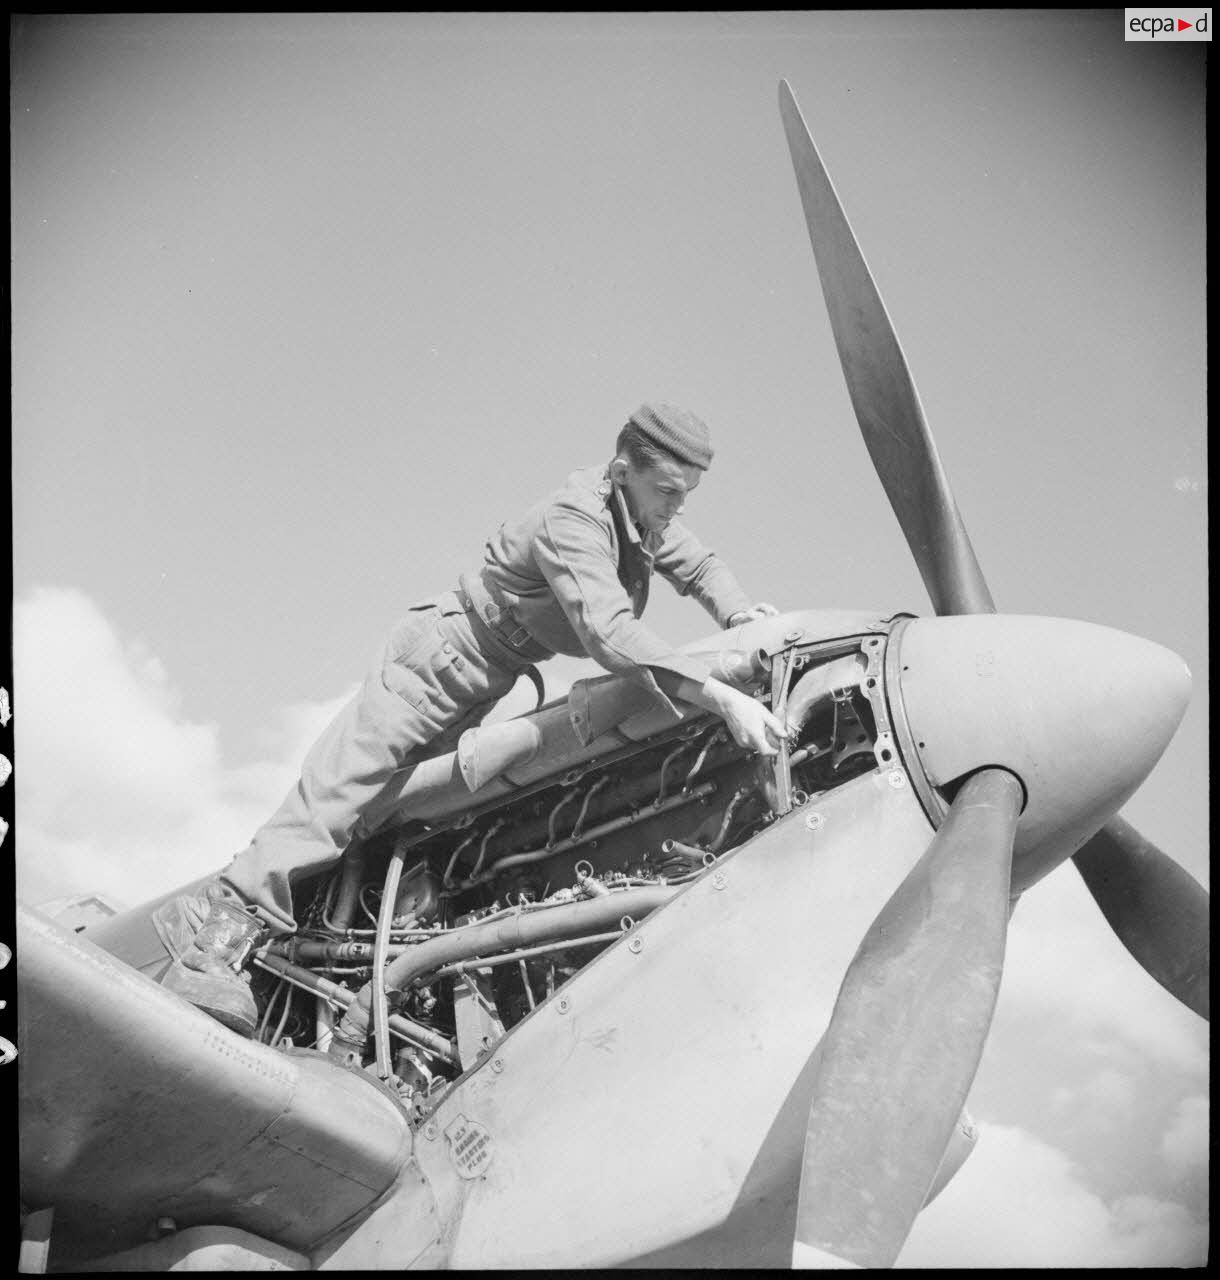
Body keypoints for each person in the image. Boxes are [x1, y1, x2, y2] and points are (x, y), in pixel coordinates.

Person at [163, 403, 788, 1034]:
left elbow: (701, 566)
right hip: (439, 657)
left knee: (393, 817)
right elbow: (608, 629)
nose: (677, 508)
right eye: (669, 492)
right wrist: (717, 692)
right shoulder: (573, 518)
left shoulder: (641, 516)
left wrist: (738, 617)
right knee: (339, 797)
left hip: (486, 676)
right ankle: (212, 941)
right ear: (623, 469)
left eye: (688, 495)